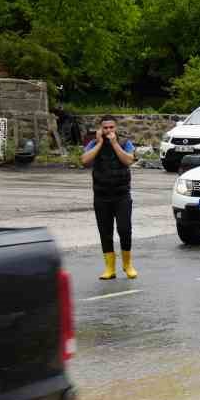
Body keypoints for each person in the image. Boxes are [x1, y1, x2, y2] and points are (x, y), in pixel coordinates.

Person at [81, 115, 137, 280]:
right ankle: (109, 268)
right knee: (105, 232)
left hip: (122, 195)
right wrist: (99, 143)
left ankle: (127, 265)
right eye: (105, 128)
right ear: (101, 129)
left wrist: (113, 143)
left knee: (124, 229)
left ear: (116, 128)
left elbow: (128, 160)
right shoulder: (94, 143)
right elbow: (84, 160)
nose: (108, 131)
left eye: (111, 127)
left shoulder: (124, 142)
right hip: (101, 195)